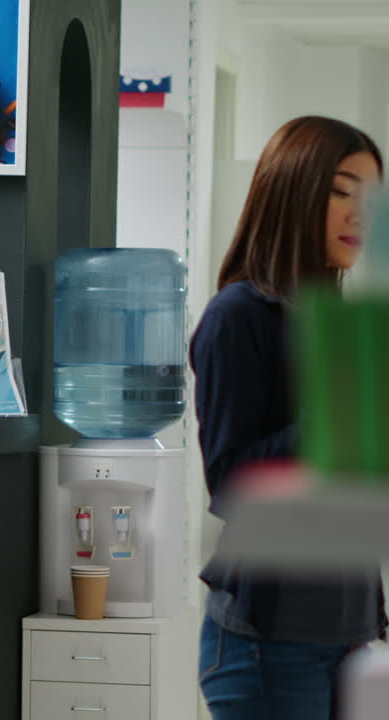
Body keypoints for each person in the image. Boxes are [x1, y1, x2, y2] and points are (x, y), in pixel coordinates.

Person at [191, 115, 385, 719]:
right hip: (270, 645)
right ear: (293, 189)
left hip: (349, 630)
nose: (361, 214)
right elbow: (230, 485)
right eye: (340, 190)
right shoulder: (239, 315)